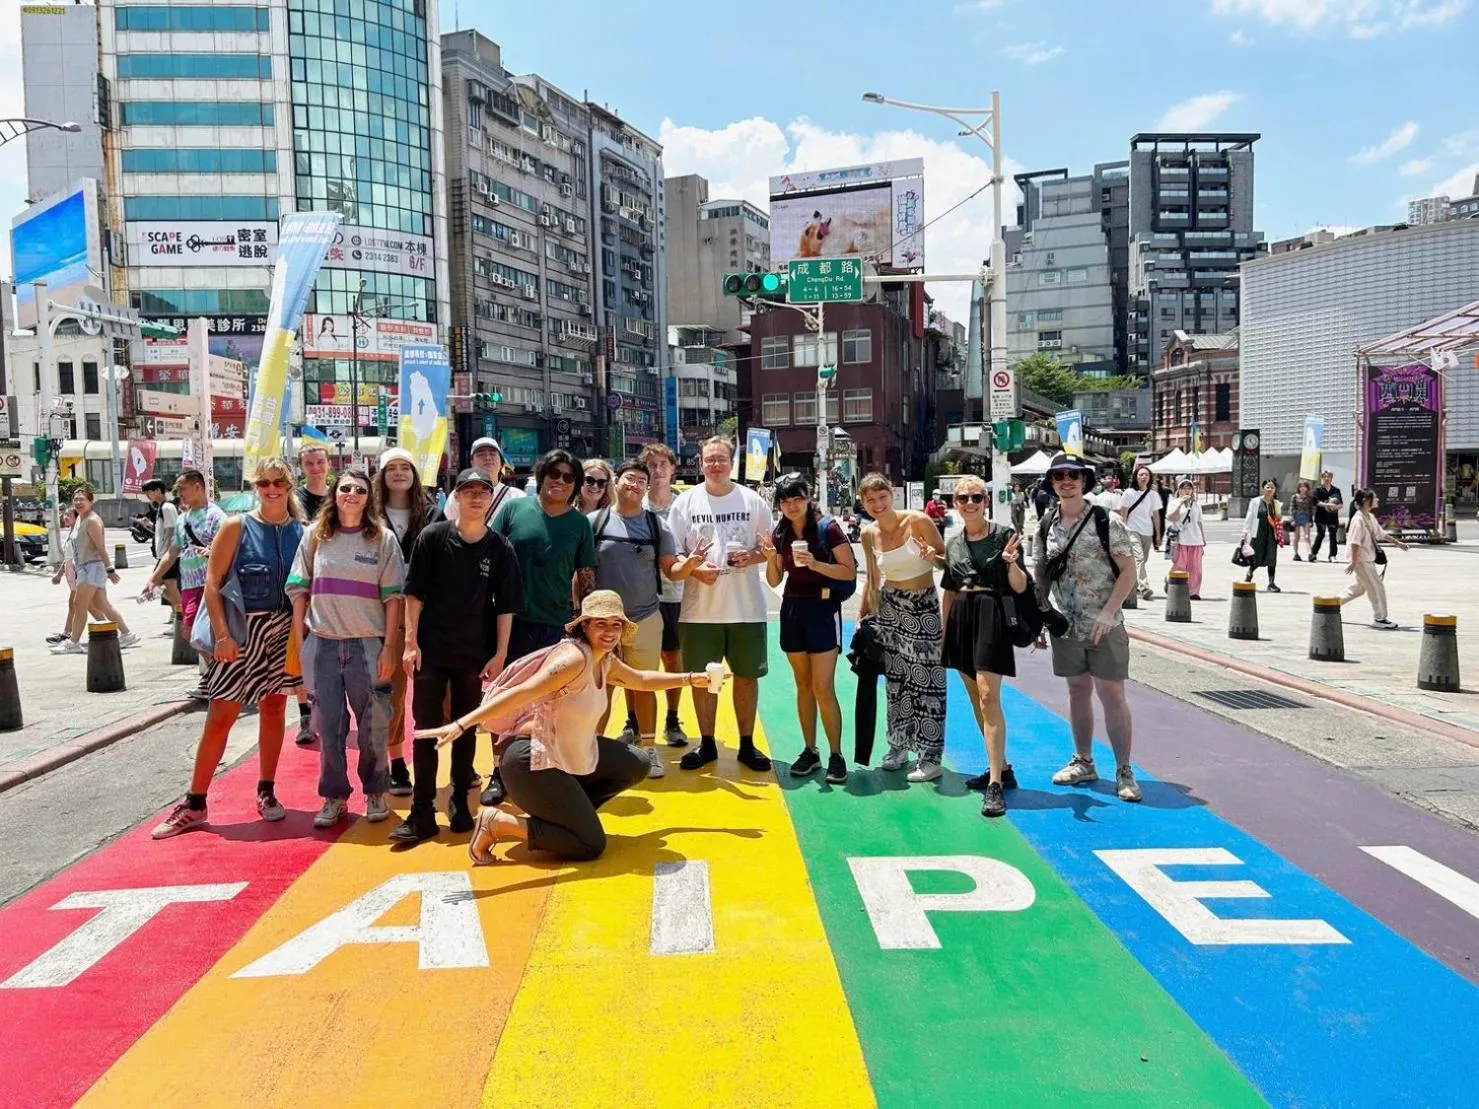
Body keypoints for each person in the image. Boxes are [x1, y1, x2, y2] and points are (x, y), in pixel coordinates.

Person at [415, 591, 715, 863]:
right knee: (590, 844)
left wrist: (692, 679)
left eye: (616, 624)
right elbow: (524, 691)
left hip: (560, 755)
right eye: (601, 624)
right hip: (529, 759)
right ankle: (500, 824)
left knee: (636, 762)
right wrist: (464, 722)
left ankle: (566, 818)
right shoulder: (574, 659)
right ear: (584, 625)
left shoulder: (604, 659)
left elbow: (640, 680)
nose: (609, 631)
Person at [151, 458, 307, 838]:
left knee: (274, 709)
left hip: (284, 630)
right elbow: (212, 583)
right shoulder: (237, 526)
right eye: (264, 482)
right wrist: (221, 635)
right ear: (256, 487)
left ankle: (266, 791)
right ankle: (195, 801)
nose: (271, 489)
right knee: (221, 713)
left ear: (290, 486)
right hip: (241, 629)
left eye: (279, 482)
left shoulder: (303, 532)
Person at [391, 468, 524, 844]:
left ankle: (461, 802)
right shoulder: (433, 537)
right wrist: (410, 642)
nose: (476, 498)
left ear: (491, 498)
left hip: (473, 654)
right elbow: (413, 593)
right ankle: (422, 809)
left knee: (466, 729)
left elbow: (506, 607)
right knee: (426, 730)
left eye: (483, 492)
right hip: (431, 651)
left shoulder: (499, 547)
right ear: (458, 497)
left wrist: (500, 654)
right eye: (469, 492)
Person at [286, 467, 405, 828]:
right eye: (345, 488)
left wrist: (389, 649)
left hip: (367, 645)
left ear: (370, 499)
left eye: (360, 490)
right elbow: (298, 591)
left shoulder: (382, 539)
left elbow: (394, 599)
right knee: (329, 728)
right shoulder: (315, 536)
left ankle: (375, 791)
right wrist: (298, 642)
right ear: (334, 495)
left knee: (373, 727)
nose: (351, 494)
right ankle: (334, 797)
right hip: (323, 644)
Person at [482, 449, 599, 806]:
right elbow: (489, 555)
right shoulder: (515, 510)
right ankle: (499, 773)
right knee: (503, 701)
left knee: (550, 704)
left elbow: (587, 576)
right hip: (508, 623)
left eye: (568, 477)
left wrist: (588, 627)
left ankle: (544, 772)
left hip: (555, 627)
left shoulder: (579, 524)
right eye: (554, 473)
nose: (560, 481)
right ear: (542, 475)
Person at [1033, 453, 1142, 803]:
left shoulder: (1105, 521)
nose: (1066, 481)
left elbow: (1128, 571)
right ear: (1051, 483)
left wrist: (1110, 612)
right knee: (1077, 690)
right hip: (1066, 624)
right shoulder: (1046, 523)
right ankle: (1084, 761)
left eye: (1073, 476)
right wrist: (1041, 613)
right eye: (1059, 476)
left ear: (1084, 481)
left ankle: (1124, 769)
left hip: (1104, 624)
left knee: (1111, 693)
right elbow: (1042, 572)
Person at [666, 435, 775, 773]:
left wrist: (752, 556)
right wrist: (696, 571)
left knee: (746, 677)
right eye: (709, 459)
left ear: (732, 463)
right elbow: (674, 555)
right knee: (704, 678)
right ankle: (707, 742)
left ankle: (746, 744)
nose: (715, 465)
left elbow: (769, 549)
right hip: (699, 612)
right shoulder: (684, 504)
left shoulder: (753, 500)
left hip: (746, 609)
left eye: (721, 459)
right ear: (700, 463)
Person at [940, 474, 1028, 818]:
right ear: (956, 504)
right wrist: (945, 630)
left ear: (986, 501)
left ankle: (994, 784)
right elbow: (948, 588)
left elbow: (1019, 586)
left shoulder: (1004, 536)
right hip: (962, 617)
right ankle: (1002, 769)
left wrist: (1011, 564)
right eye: (963, 498)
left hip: (991, 614)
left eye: (977, 497)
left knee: (990, 696)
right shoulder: (955, 543)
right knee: (977, 697)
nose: (971, 503)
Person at [761, 473, 856, 786]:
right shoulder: (780, 532)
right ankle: (810, 750)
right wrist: (771, 558)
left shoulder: (828, 528)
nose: (791, 506)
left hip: (822, 610)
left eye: (797, 499)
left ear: (808, 497)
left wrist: (815, 564)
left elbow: (847, 571)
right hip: (792, 610)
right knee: (803, 684)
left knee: (822, 686)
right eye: (785, 501)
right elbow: (774, 581)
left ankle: (836, 755)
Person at [588, 460, 680, 778]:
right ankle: (591, 752)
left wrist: (692, 564)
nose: (635, 484)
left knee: (644, 686)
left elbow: (671, 568)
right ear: (616, 480)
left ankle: (650, 750)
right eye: (630, 478)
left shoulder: (657, 525)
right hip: (600, 624)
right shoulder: (594, 522)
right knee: (600, 689)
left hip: (645, 618)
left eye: (642, 480)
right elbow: (579, 572)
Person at [858, 472, 947, 781]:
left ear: (891, 495)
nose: (877, 504)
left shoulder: (919, 521)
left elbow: (946, 563)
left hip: (923, 605)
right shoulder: (868, 533)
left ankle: (930, 756)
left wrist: (932, 556)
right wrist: (864, 616)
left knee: (928, 682)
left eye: (882, 497)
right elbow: (873, 579)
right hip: (889, 608)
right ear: (863, 503)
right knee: (896, 681)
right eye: (870, 500)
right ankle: (898, 746)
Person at [373, 447, 443, 796]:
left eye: (406, 467)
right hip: (382, 614)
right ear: (382, 475)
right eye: (392, 468)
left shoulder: (432, 513)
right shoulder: (370, 514)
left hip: (426, 612)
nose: (399, 473)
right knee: (392, 692)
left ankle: (450, 759)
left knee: (435, 692)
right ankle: (396, 762)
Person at [637, 442, 692, 748]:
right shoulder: (634, 503)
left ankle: (672, 718)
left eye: (663, 465)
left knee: (673, 659)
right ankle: (634, 722)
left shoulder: (685, 505)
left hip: (675, 594)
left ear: (673, 469)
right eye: (651, 465)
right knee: (637, 663)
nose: (657, 471)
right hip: (639, 597)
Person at [50, 486, 141, 655]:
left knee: (79, 604)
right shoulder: (81, 520)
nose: (78, 502)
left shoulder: (92, 520)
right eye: (75, 500)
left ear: (91, 502)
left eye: (82, 499)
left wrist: (110, 569)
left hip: (93, 566)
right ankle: (127, 634)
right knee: (101, 604)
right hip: (85, 566)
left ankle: (74, 642)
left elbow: (100, 547)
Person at [293, 442, 333, 746]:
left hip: (334, 584)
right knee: (301, 650)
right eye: (310, 464)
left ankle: (328, 710)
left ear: (329, 464)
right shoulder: (295, 500)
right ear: (302, 467)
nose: (316, 468)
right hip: (302, 580)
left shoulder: (340, 495)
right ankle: (305, 714)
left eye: (320, 462)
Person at [1340, 489, 1409, 628]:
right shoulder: (1358, 519)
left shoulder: (1369, 517)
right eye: (1375, 497)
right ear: (1366, 501)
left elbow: (1381, 534)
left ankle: (1330, 604)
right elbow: (1354, 542)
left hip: (1366, 558)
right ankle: (1380, 618)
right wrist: (1353, 562)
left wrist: (1398, 543)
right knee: (1376, 587)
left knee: (1359, 588)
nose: (1377, 499)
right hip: (1361, 560)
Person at [443, 436, 523, 524]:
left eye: (492, 454)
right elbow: (449, 531)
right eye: (481, 454)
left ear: (501, 462)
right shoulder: (459, 496)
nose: (488, 458)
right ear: (472, 463)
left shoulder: (517, 497)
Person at [1116, 464, 1162, 601]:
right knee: (1139, 558)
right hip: (1132, 530)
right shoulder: (1129, 493)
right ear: (1136, 477)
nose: (1143, 477)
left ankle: (1133, 585)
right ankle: (1144, 587)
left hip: (1147, 531)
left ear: (1150, 477)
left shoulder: (1153, 495)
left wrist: (1158, 534)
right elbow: (1123, 513)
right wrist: (1123, 530)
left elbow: (1156, 515)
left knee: (1142, 560)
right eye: (1141, 474)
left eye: (1146, 475)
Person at [140, 478, 181, 614]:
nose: (147, 496)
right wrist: (150, 526)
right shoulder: (161, 508)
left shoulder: (167, 508)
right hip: (165, 555)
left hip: (168, 556)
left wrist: (169, 556)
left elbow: (173, 531)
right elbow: (163, 531)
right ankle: (179, 615)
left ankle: (183, 616)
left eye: (149, 492)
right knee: (161, 587)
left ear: (158, 491)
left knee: (163, 586)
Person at [1166, 478, 1206, 599]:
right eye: (1183, 488)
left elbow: (1199, 523)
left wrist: (1203, 539)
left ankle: (1193, 592)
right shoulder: (1174, 502)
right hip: (1181, 539)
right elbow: (1171, 518)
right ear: (1179, 490)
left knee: (1195, 568)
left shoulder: (1196, 505)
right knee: (1180, 565)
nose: (1186, 491)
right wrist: (1180, 503)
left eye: (1189, 488)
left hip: (1196, 539)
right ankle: (1171, 582)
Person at [1242, 479, 1283, 592]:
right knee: (1256, 556)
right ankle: (1249, 575)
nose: (1270, 489)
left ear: (1275, 490)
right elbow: (1249, 518)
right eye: (1267, 487)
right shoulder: (1255, 501)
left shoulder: (1276, 503)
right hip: (1258, 533)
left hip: (1271, 533)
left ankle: (1271, 583)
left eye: (1272, 487)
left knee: (1271, 557)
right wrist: (1245, 532)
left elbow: (1279, 520)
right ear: (1263, 488)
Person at [1310, 470, 1343, 563]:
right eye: (1325, 477)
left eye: (1328, 477)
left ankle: (1332, 555)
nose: (1327, 478)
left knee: (1333, 536)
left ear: (1331, 478)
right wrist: (1327, 505)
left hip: (1332, 517)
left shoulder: (1336, 490)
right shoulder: (1318, 490)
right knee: (1320, 535)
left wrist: (1336, 507)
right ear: (1322, 478)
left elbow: (1341, 504)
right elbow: (1315, 502)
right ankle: (1313, 553)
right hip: (1321, 517)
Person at [1289, 480, 1315, 561]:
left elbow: (1311, 509)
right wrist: (1292, 519)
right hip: (1297, 517)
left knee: (1307, 537)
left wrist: (1311, 520)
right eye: (1301, 486)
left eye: (1304, 486)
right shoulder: (1294, 497)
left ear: (1307, 488)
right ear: (1299, 488)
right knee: (1297, 537)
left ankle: (1310, 554)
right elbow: (1292, 508)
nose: (1303, 488)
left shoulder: (1309, 498)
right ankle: (1296, 554)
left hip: (1306, 517)